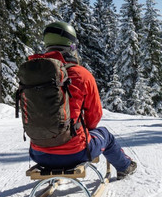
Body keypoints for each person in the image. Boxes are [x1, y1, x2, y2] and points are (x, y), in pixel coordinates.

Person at [27, 21, 137, 180]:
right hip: (75, 152)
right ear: (71, 46)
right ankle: (125, 167)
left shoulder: (33, 76)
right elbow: (95, 116)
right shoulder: (80, 74)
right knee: (106, 135)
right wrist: (81, 128)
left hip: (38, 153)